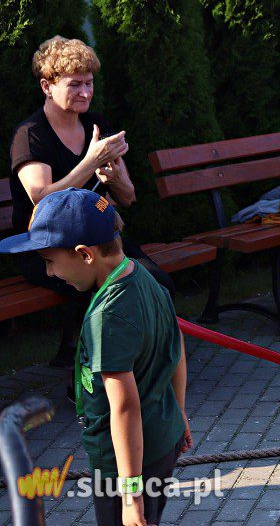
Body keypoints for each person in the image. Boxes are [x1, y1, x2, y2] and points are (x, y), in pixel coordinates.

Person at [0, 188, 191, 526]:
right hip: (162, 439)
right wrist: (179, 411)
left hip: (126, 466)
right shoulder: (143, 275)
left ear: (85, 254)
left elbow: (124, 406)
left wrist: (130, 495)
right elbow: (175, 346)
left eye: (49, 261)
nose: (48, 273)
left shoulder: (107, 316)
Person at [9, 37, 175, 364]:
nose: (85, 93)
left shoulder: (95, 124)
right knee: (110, 291)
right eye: (75, 85)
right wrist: (90, 162)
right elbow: (41, 199)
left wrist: (116, 178)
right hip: (50, 249)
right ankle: (95, 382)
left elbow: (128, 198)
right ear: (46, 86)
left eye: (89, 83)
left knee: (158, 283)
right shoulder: (30, 134)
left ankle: (147, 369)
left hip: (100, 241)